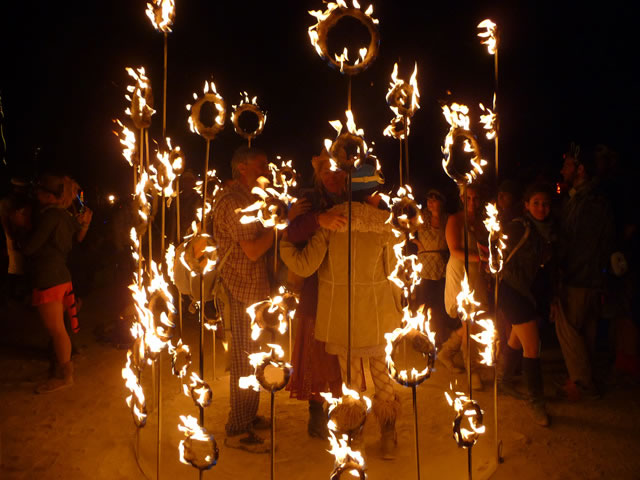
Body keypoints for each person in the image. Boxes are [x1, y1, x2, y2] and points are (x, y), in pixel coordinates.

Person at [280, 162, 402, 459]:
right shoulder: (385, 224)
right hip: (377, 315)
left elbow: (305, 265)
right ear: (371, 192)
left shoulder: (333, 220)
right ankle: (388, 438)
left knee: (351, 381)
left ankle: (354, 438)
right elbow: (393, 270)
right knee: (381, 375)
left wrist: (285, 244)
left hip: (340, 317)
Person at [211, 146, 277, 453]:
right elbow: (252, 250)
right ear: (242, 168)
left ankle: (248, 415)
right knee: (243, 361)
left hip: (252, 290)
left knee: (255, 357)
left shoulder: (249, 199)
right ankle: (237, 429)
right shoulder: (234, 203)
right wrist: (279, 228)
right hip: (240, 292)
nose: (267, 169)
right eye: (261, 164)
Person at [285, 149, 346, 438]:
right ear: (318, 174)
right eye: (326, 171)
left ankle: (342, 410)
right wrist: (318, 219)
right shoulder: (309, 199)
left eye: (336, 170)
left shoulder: (354, 198)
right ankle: (317, 413)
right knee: (316, 354)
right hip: (317, 290)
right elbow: (293, 233)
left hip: (346, 290)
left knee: (341, 356)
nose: (332, 176)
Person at [21, 174, 92, 393]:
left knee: (57, 330)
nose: (37, 194)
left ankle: (65, 376)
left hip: (49, 277)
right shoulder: (66, 216)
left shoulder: (50, 216)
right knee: (59, 328)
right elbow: (77, 235)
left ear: (52, 197)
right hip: (59, 275)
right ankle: (60, 368)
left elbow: (30, 248)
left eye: (42, 191)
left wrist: (20, 226)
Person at [553, 147, 614, 400]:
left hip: (580, 277)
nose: (562, 170)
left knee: (569, 329)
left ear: (580, 169)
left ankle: (582, 383)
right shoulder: (581, 197)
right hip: (587, 276)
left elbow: (583, 244)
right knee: (584, 330)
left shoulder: (590, 202)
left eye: (567, 165)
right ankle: (581, 378)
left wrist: (565, 271)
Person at [497, 182, 556, 426]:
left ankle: (503, 380)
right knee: (533, 346)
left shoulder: (546, 232)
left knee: (517, 338)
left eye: (545, 204)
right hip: (511, 290)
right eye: (536, 203)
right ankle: (536, 401)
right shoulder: (518, 227)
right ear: (527, 205)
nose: (541, 208)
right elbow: (495, 243)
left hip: (525, 293)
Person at [439, 183, 489, 390]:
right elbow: (454, 250)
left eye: (475, 198)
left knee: (474, 323)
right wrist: (483, 259)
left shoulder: (482, 223)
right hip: (460, 274)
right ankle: (472, 370)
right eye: (468, 198)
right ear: (461, 198)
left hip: (476, 274)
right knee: (469, 322)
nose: (472, 202)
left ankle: (446, 352)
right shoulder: (455, 219)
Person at [412, 188, 450, 347]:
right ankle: (419, 338)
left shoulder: (447, 219)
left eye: (434, 200)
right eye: (429, 199)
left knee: (439, 305)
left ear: (441, 202)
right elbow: (406, 231)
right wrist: (418, 244)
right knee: (422, 302)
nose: (431, 203)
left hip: (441, 265)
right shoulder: (421, 217)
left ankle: (438, 338)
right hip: (424, 265)